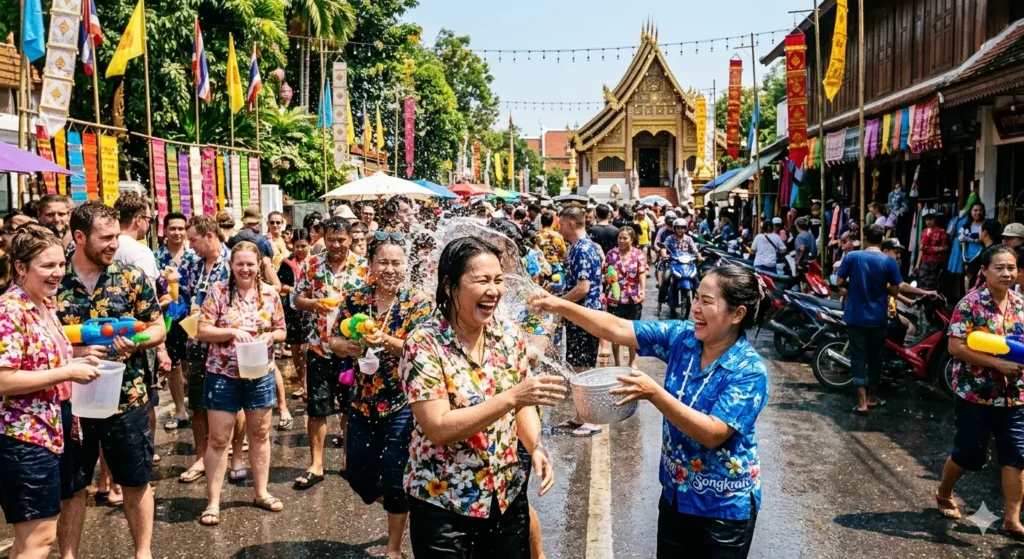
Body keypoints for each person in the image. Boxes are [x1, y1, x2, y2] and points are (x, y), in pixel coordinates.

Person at [529, 263, 772, 558]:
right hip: (675, 495)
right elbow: (618, 328)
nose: (695, 308)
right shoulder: (684, 339)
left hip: (722, 508)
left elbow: (713, 433)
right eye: (695, 297)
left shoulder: (749, 370)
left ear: (737, 314)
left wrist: (654, 393)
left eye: (706, 302)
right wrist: (560, 305)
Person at [401, 237, 564, 558]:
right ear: (449, 286)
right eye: (481, 281)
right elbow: (438, 427)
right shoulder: (423, 344)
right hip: (445, 504)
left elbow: (524, 406)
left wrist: (536, 447)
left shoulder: (508, 336)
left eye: (498, 280)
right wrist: (512, 397)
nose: (494, 290)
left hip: (505, 495)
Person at [57, 202, 166, 559]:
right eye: (105, 238)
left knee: (135, 481)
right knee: (71, 488)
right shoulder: (54, 281)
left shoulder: (131, 276)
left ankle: (143, 553)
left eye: (116, 236)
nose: (114, 244)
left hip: (127, 397)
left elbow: (157, 328)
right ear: (79, 237)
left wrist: (135, 339)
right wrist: (71, 353)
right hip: (70, 403)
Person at [330, 232, 432, 559]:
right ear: (371, 264)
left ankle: (393, 547)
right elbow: (333, 339)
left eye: (396, 262)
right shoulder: (355, 299)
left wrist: (384, 340)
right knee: (357, 474)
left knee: (394, 472)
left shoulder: (418, 302)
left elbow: (421, 350)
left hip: (403, 402)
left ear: (406, 265)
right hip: (362, 400)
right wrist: (346, 346)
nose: (389, 268)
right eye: (383, 262)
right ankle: (398, 502)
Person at [0, 225, 100, 559]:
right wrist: (68, 371)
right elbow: (3, 379)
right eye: (47, 266)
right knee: (39, 540)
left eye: (60, 264)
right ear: (20, 267)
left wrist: (80, 356)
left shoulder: (44, 304)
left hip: (51, 430)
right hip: (23, 439)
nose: (57, 273)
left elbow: (43, 360)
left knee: (31, 538)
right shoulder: (10, 311)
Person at [195, 241, 287, 525]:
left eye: (250, 264)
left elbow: (281, 329)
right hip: (223, 374)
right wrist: (232, 331)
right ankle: (213, 502)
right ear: (231, 266)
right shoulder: (218, 291)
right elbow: (202, 330)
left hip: (260, 373)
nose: (245, 269)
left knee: (259, 435)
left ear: (259, 265)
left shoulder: (270, 294)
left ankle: (261, 492)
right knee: (219, 438)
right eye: (240, 264)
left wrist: (271, 337)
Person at [936, 245, 1024, 538]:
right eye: (999, 268)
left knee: (1016, 456)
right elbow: (955, 347)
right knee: (967, 455)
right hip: (976, 395)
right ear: (984, 271)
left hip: (1016, 397)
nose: (1007, 273)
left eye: (1011, 267)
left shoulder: (1022, 305)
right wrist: (997, 364)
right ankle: (944, 491)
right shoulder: (970, 304)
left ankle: (1012, 520)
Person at [293, 217, 369, 488]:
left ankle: (349, 461)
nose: (336, 245)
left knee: (351, 408)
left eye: (341, 240)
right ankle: (316, 464)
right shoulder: (312, 265)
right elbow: (296, 300)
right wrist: (314, 304)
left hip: (351, 351)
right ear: (323, 239)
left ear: (351, 239)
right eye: (331, 240)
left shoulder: (363, 267)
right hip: (319, 348)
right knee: (317, 408)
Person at [836, 225, 936, 414]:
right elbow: (896, 290)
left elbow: (839, 283)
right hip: (878, 319)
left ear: (865, 238)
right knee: (876, 358)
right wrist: (883, 288)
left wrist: (854, 286)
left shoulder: (851, 257)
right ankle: (873, 398)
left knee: (858, 358)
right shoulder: (889, 262)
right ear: (882, 239)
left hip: (855, 317)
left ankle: (861, 403)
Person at [178, 215, 232, 485]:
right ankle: (201, 456)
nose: (191, 245)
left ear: (210, 236)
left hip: (226, 346)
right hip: (196, 343)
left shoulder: (233, 261)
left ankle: (233, 456)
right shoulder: (191, 263)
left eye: (194, 240)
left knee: (231, 403)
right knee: (198, 403)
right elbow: (184, 298)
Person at [558, 206, 604, 437]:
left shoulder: (583, 249)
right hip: (578, 315)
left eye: (561, 223)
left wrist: (559, 304)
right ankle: (580, 416)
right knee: (578, 365)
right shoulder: (579, 247)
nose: (559, 227)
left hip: (585, 314)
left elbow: (583, 288)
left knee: (584, 367)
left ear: (572, 224)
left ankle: (591, 420)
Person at [154, 212, 199, 431]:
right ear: (164, 230)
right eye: (173, 228)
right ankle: (180, 410)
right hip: (166, 317)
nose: (177, 233)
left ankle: (197, 408)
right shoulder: (156, 257)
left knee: (191, 361)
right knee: (172, 365)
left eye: (181, 228)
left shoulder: (194, 257)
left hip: (191, 316)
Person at [604, 227, 648, 367]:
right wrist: (608, 278)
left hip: (633, 297)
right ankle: (617, 362)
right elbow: (606, 271)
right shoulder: (611, 254)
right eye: (620, 238)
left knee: (632, 332)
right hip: (615, 297)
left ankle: (632, 361)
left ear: (632, 239)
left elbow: (641, 273)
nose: (621, 241)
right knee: (615, 332)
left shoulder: (639, 255)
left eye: (625, 238)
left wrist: (643, 290)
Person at [279, 228, 311, 402]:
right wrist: (294, 289)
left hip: (310, 311)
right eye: (297, 246)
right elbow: (280, 284)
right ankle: (301, 384)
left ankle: (309, 382)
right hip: (292, 311)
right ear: (292, 246)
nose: (300, 250)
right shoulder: (286, 263)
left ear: (309, 245)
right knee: (295, 349)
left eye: (303, 246)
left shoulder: (315, 262)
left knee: (307, 349)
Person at [913, 212, 950, 291]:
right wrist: (917, 264)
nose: (929, 222)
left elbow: (945, 248)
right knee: (922, 282)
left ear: (935, 219)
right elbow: (921, 249)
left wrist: (942, 262)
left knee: (934, 284)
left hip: (936, 262)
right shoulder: (924, 232)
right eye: (927, 220)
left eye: (931, 219)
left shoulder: (941, 232)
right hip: (924, 262)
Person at [967, 219, 1004, 291]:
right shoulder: (997, 249)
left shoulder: (990, 252)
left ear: (984, 233)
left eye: (979, 230)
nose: (978, 232)